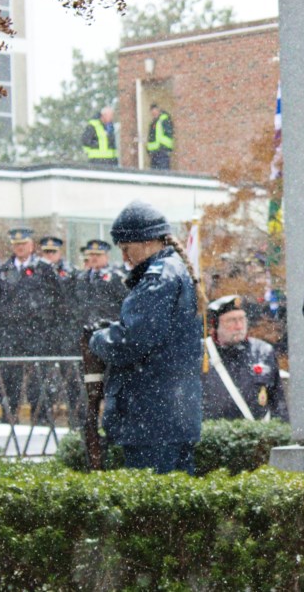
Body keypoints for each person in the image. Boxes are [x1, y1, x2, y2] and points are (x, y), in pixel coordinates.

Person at [88, 200, 203, 474]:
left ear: (148, 242)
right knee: (175, 501)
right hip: (173, 411)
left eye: (127, 249)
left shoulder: (158, 278)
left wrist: (99, 338)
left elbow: (131, 342)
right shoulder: (175, 270)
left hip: (150, 415)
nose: (125, 258)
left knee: (152, 506)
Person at [0, 227, 64, 417]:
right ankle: (10, 415)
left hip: (36, 331)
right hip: (11, 331)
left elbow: (58, 300)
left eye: (23, 244)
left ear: (31, 245)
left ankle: (40, 416)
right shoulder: (4, 270)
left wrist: (47, 324)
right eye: (16, 245)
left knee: (37, 376)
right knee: (10, 376)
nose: (20, 248)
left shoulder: (44, 269)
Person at [202, 294, 289, 422]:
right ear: (215, 325)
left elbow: (277, 401)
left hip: (257, 434)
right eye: (231, 321)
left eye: (242, 319)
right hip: (215, 433)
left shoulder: (263, 351)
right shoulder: (201, 353)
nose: (238, 326)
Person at [73, 240, 127, 329]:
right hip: (87, 327)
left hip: (108, 327)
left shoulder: (115, 276)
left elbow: (124, 302)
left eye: (98, 255)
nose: (94, 258)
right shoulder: (82, 277)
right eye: (91, 255)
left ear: (106, 257)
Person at [39, 236, 78, 355]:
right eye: (46, 252)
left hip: (62, 321)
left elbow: (63, 289)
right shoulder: (37, 269)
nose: (50, 255)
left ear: (59, 252)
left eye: (53, 251)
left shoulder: (67, 269)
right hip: (42, 322)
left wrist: (49, 270)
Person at [147, 102, 175, 170]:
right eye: (152, 113)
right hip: (154, 153)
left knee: (163, 172)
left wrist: (163, 146)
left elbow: (168, 133)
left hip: (162, 151)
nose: (154, 114)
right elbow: (151, 138)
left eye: (155, 111)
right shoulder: (154, 123)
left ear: (158, 110)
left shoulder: (164, 119)